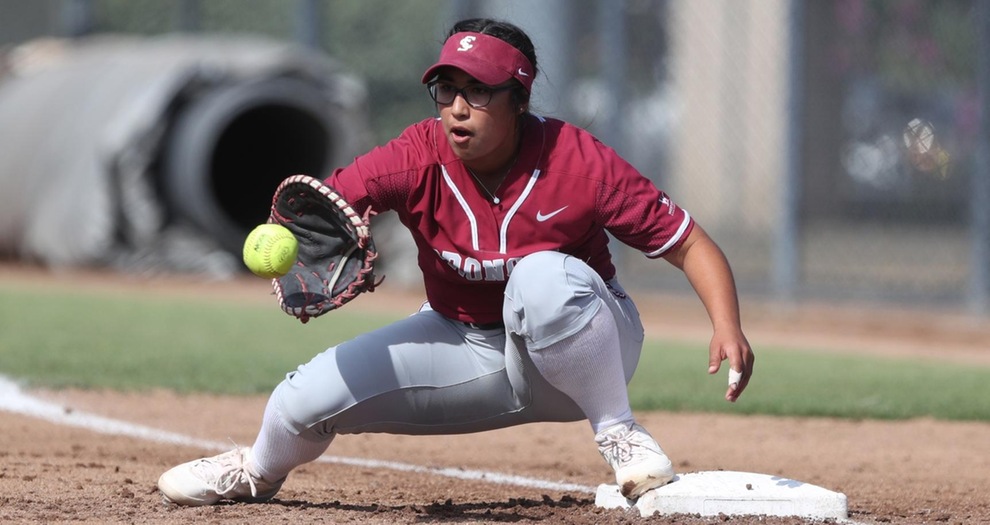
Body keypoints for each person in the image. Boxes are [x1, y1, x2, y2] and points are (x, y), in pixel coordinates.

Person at [157, 17, 754, 506]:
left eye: (478, 90)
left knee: (542, 276)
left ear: (519, 98)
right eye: (446, 89)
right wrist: (307, 238)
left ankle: (621, 435)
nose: (458, 107)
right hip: (463, 342)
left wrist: (726, 325)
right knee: (300, 400)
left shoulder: (577, 161)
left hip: (588, 350)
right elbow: (326, 205)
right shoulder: (417, 155)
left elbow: (688, 242)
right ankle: (256, 473)